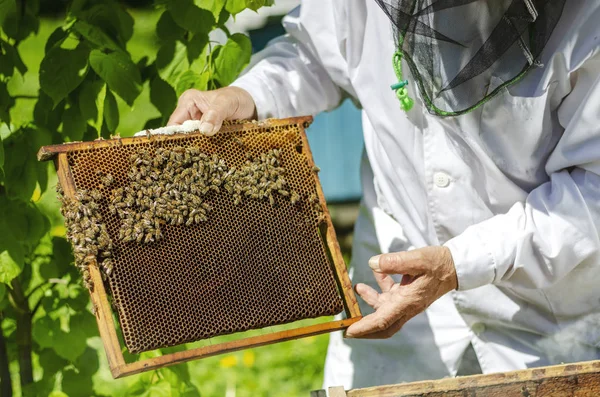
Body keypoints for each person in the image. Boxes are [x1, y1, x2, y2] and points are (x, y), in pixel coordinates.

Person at [167, 0, 600, 390]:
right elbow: (315, 54)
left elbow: (592, 195)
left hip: (544, 318)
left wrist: (457, 264)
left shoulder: (588, 20)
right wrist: (248, 95)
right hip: (391, 300)